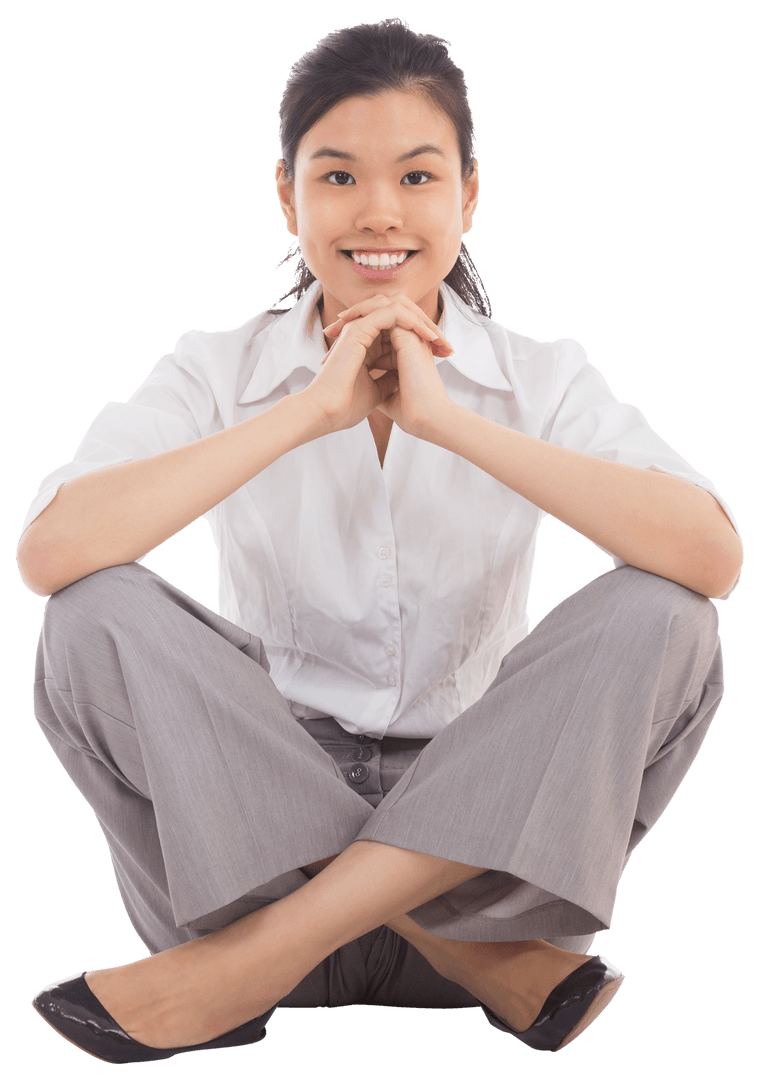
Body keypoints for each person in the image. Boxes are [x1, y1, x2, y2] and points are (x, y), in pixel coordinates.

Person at [17, 16, 743, 1064]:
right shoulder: (212, 370)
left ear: (468, 197)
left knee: (666, 612)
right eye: (338, 176)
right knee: (91, 611)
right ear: (288, 196)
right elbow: (49, 553)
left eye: (415, 176)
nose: (379, 213)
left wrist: (449, 422)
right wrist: (308, 411)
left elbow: (712, 557)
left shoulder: (542, 378)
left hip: (489, 872)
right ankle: (440, 948)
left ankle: (265, 963)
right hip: (250, 870)